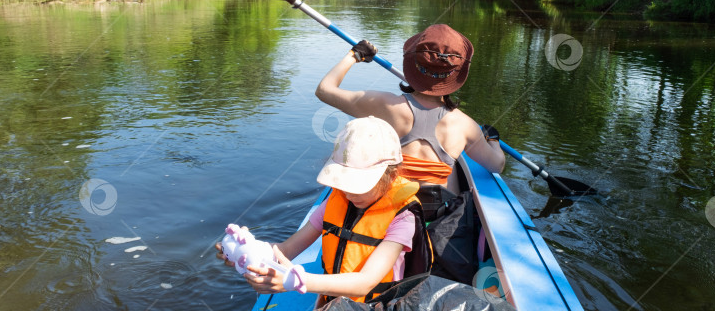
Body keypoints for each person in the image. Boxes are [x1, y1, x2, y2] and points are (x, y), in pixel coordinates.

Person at [216, 116, 432, 304]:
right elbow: (287, 249)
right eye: (344, 184)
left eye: (359, 185)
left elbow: (366, 282)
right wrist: (249, 251)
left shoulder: (403, 217)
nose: (349, 193)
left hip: (376, 304)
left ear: (391, 176)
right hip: (333, 299)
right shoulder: (336, 201)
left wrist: (296, 281)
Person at [315, 24, 505, 205]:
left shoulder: (385, 105)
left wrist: (354, 55)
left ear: (413, 65)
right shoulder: (465, 125)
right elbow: (496, 165)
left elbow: (324, 90)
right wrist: (493, 140)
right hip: (438, 217)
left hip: (393, 209)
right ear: (457, 74)